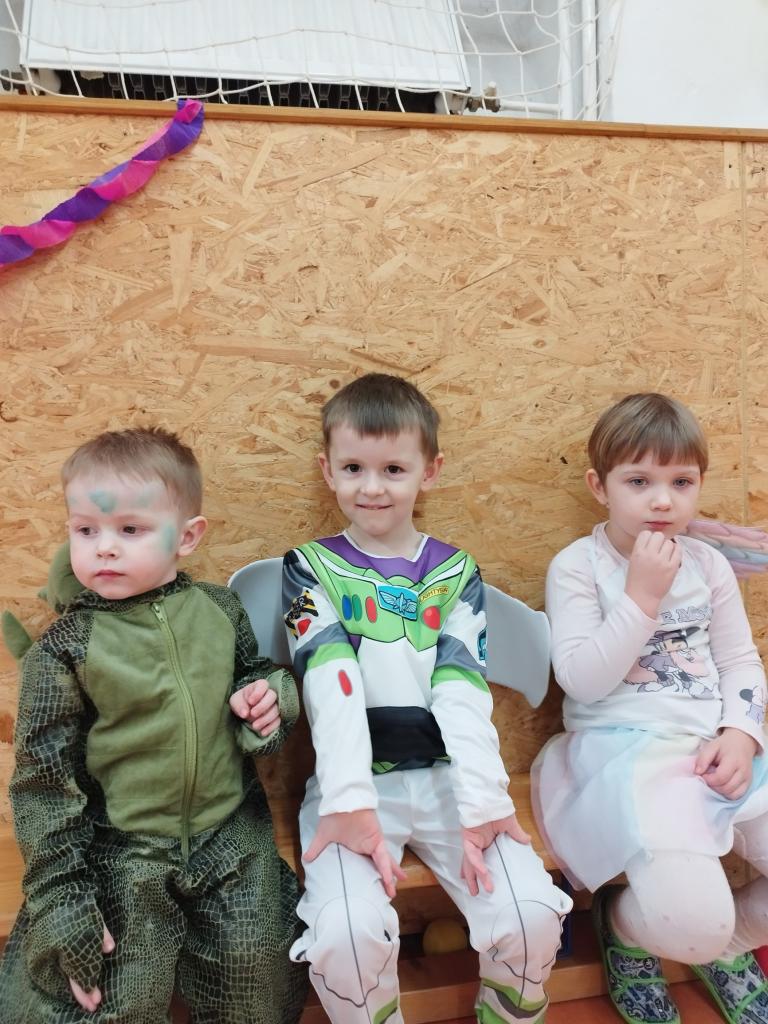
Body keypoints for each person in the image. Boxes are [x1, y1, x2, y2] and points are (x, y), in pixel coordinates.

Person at [282, 373, 571, 1024]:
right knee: (345, 936)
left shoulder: (455, 572)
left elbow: (461, 689)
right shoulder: (309, 567)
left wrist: (485, 803)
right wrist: (349, 802)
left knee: (530, 915)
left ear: (429, 471)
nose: (372, 487)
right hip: (353, 786)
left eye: (393, 468)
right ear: (327, 471)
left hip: (449, 779)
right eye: (353, 468)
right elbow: (330, 679)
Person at [0, 427, 308, 1024]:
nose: (104, 549)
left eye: (129, 530)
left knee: (256, 976)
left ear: (187, 536)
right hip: (122, 848)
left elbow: (257, 675)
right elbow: (43, 784)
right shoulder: (65, 649)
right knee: (109, 995)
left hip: (229, 836)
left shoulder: (221, 610)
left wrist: (270, 699)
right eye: (85, 530)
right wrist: (61, 896)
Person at [533, 393, 768, 1024]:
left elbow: (740, 661)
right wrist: (640, 598)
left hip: (716, 750)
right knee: (690, 924)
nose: (662, 501)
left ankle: (728, 946)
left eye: (680, 482)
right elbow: (582, 681)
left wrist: (741, 733)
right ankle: (625, 927)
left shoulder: (709, 565)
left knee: (710, 932)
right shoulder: (578, 566)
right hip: (625, 755)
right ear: (600, 487)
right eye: (639, 482)